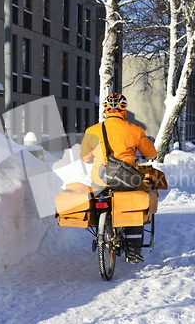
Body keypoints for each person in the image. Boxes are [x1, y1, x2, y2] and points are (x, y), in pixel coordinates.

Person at [80, 93, 157, 264]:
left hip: (100, 180)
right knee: (133, 207)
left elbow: (85, 157)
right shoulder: (134, 130)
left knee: (101, 194)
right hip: (125, 181)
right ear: (123, 110)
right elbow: (151, 153)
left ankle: (103, 231)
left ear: (106, 110)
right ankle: (133, 252)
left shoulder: (92, 130)